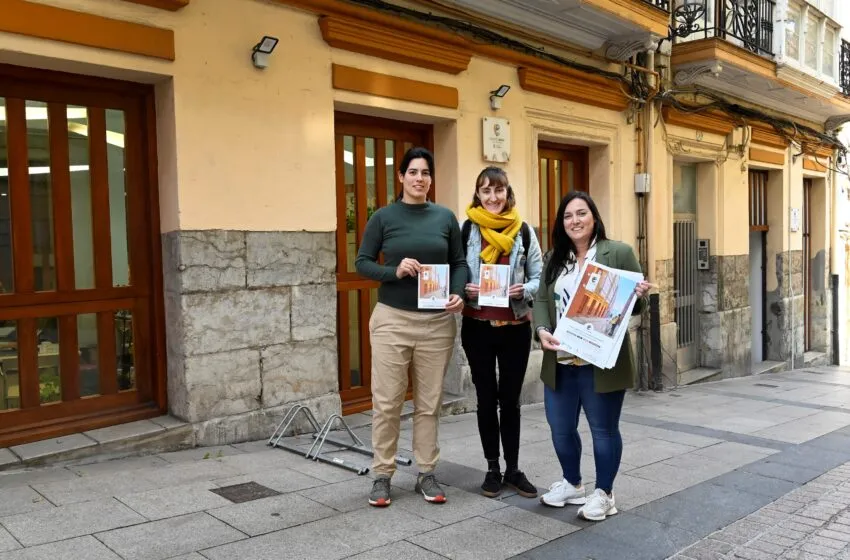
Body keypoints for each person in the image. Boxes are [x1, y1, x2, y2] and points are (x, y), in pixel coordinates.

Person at [355, 146, 468, 507]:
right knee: (387, 403)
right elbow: (362, 263)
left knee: (428, 403)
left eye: (426, 173)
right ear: (401, 177)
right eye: (414, 172)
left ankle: (426, 472)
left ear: (431, 179)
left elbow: (460, 263)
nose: (420, 179)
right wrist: (395, 271)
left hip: (437, 323)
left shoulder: (445, 218)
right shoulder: (384, 217)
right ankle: (382, 475)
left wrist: (457, 293)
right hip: (393, 320)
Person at [533, 191, 651, 521]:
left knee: (603, 430)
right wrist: (541, 330)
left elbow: (637, 306)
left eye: (581, 213)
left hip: (600, 362)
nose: (575, 220)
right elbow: (542, 299)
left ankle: (605, 493)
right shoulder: (556, 256)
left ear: (594, 217)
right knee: (560, 428)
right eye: (568, 216)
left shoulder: (619, 252)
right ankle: (572, 483)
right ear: (562, 223)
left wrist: (639, 296)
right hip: (561, 361)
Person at [460, 166, 543, 499]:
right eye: (486, 191)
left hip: (514, 328)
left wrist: (525, 289)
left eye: (499, 190)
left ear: (508, 193)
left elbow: (539, 274)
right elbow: (456, 269)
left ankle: (513, 469)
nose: (493, 197)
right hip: (477, 326)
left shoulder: (524, 231)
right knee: (485, 399)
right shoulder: (468, 229)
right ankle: (492, 468)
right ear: (477, 195)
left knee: (510, 401)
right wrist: (461, 287)